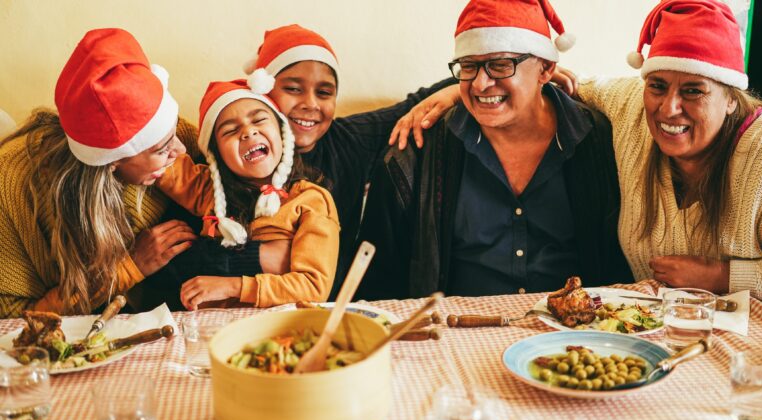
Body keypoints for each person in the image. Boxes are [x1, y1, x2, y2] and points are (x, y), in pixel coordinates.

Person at [356, 0, 633, 300]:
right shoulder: (420, 152)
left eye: (500, 65)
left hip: (574, 338)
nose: (481, 83)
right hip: (451, 338)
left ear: (546, 69)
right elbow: (377, 287)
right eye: (469, 66)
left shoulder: (599, 142)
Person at [565, 0, 762, 297]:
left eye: (693, 90)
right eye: (657, 86)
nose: (669, 109)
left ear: (732, 100)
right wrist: (548, 80)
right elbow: (584, 83)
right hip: (647, 332)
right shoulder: (632, 105)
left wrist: (721, 276)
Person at [240, 25, 458, 295]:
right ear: (263, 90)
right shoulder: (235, 150)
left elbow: (428, 98)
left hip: (332, 310)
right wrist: (257, 256)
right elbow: (194, 254)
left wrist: (454, 93)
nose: (311, 104)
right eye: (294, 89)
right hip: (247, 305)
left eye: (324, 93)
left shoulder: (349, 141)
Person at [0, 28, 199, 318]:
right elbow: (13, 319)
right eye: (162, 148)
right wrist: (129, 267)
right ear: (112, 162)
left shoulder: (165, 133)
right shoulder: (13, 190)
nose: (181, 151)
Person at [156, 74, 339, 310]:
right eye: (230, 131)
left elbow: (313, 287)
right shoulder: (207, 189)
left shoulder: (311, 200)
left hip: (279, 326)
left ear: (283, 134)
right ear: (216, 154)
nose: (248, 132)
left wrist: (232, 286)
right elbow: (158, 157)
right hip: (212, 326)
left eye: (259, 120)